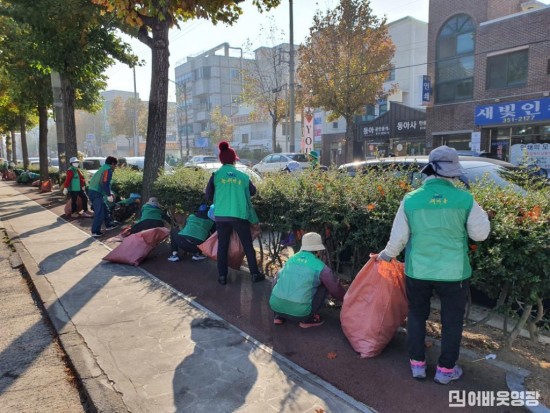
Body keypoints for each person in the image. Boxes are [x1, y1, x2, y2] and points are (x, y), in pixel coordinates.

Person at [377, 146, 491, 385]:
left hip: (418, 271)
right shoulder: (465, 199)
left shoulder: (411, 199)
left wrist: (386, 255)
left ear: (430, 170)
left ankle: (417, 365)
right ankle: (445, 370)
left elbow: (398, 238)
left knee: (417, 314)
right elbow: (480, 234)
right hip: (454, 273)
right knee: (452, 321)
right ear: (452, 173)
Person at [205, 141, 265, 285]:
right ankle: (255, 274)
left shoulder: (216, 175)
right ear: (233, 160)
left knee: (223, 246)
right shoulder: (243, 177)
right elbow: (253, 192)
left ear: (221, 160)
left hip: (221, 216)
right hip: (239, 215)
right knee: (247, 245)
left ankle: (222, 277)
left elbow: (208, 196)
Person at [269, 232, 345, 328]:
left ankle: (279, 316)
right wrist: (345, 299)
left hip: (275, 306)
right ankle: (308, 319)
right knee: (325, 285)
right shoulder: (320, 267)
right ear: (318, 250)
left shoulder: (291, 259)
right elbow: (334, 289)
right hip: (301, 313)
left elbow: (276, 279)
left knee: (282, 279)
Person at [88, 156, 119, 237]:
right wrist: (109, 195)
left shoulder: (102, 168)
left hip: (93, 191)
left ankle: (109, 224)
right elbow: (105, 183)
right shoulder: (108, 170)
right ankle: (95, 231)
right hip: (96, 193)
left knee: (105, 209)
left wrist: (108, 193)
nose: (115, 167)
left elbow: (103, 183)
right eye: (115, 165)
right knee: (99, 213)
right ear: (112, 164)